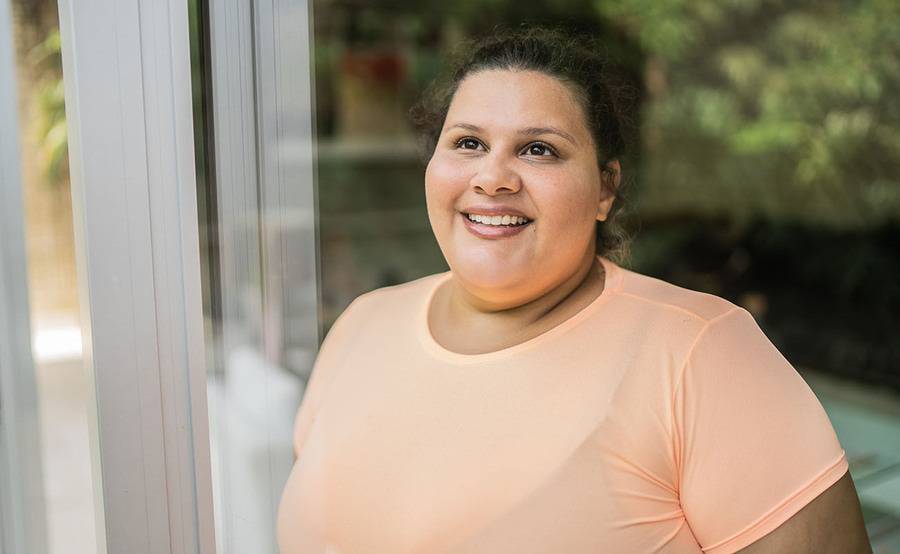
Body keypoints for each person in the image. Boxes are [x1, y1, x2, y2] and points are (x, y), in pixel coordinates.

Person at [277, 25, 872, 553]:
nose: (492, 177)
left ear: (605, 188)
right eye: (468, 143)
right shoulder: (363, 323)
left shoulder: (701, 353)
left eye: (538, 149)